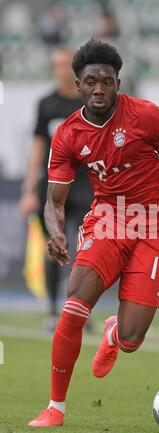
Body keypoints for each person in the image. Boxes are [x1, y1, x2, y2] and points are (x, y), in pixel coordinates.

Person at [28, 39, 159, 427]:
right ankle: (55, 408)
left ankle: (117, 334)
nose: (98, 89)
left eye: (106, 81)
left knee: (134, 338)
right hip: (109, 219)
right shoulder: (68, 134)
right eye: (90, 82)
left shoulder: (147, 117)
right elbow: (54, 200)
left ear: (118, 82)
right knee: (75, 299)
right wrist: (56, 232)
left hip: (155, 221)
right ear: (79, 85)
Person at [19, 47, 92, 332]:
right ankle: (52, 310)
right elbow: (38, 145)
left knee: (87, 249)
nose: (61, 70)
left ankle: (80, 310)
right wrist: (28, 188)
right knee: (56, 245)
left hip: (86, 185)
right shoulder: (46, 104)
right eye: (57, 65)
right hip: (52, 186)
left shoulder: (90, 103)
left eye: (66, 65)